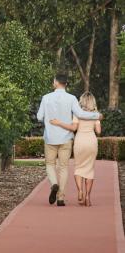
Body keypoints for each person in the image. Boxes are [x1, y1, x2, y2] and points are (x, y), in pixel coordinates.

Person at [36, 74, 101, 206]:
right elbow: (80, 114)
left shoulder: (46, 98)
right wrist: (97, 115)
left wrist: (48, 119)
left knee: (50, 164)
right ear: (66, 84)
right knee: (64, 167)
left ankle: (54, 184)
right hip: (66, 138)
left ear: (55, 82)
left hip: (50, 138)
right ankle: (60, 198)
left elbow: (39, 117)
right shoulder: (71, 98)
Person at [50, 91, 101, 206]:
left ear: (81, 101)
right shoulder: (95, 114)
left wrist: (59, 123)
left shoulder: (77, 114)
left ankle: (80, 191)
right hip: (91, 142)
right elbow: (98, 131)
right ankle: (87, 197)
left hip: (79, 141)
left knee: (78, 167)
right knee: (90, 169)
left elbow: (73, 128)